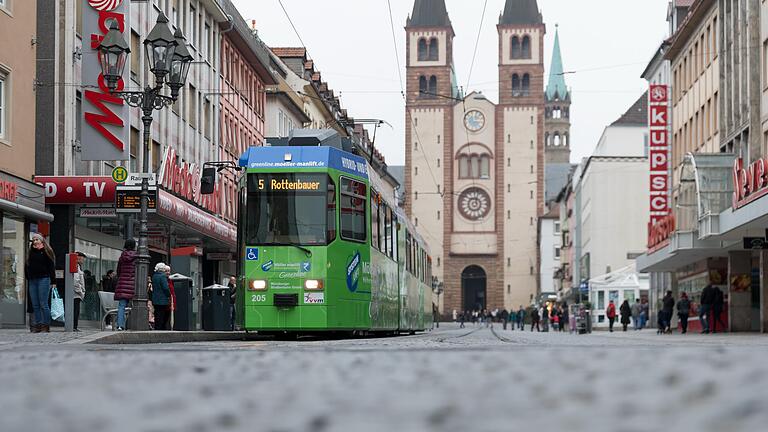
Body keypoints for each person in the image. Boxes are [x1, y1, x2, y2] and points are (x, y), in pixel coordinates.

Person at [26, 233, 56, 333]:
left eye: (36, 239)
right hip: (32, 280)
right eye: (33, 240)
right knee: (35, 304)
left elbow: (51, 267)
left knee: (43, 303)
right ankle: (38, 325)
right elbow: (27, 265)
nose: (35, 241)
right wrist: (28, 277)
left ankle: (46, 325)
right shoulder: (31, 251)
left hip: (44, 279)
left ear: (41, 241)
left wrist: (53, 281)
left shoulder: (46, 251)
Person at [114, 239, 137, 331]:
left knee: (121, 305)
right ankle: (133, 325)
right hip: (133, 283)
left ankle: (120, 325)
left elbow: (118, 271)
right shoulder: (137, 257)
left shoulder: (122, 257)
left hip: (123, 283)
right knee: (135, 304)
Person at [152, 263, 171, 330]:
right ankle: (161, 328)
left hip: (155, 298)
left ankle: (156, 327)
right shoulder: (162, 276)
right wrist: (169, 294)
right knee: (162, 314)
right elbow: (165, 288)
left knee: (157, 313)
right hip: (162, 299)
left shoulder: (154, 276)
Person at [73, 252, 87, 332]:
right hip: (76, 293)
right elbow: (76, 280)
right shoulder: (76, 266)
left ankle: (74, 326)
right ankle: (74, 326)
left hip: (76, 293)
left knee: (76, 310)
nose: (83, 260)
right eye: (82, 258)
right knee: (76, 310)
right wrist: (80, 292)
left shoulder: (78, 267)